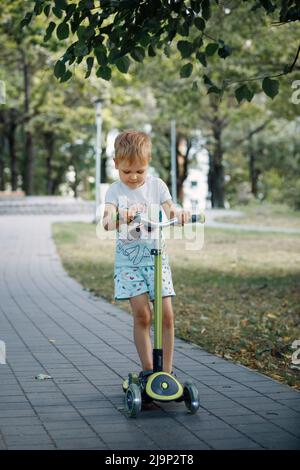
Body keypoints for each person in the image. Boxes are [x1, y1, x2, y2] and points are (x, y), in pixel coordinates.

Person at [102, 130, 190, 388]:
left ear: (148, 163)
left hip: (156, 261)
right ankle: (149, 372)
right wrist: (122, 216)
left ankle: (167, 373)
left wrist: (181, 215)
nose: (133, 177)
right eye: (127, 171)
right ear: (116, 163)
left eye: (139, 171)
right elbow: (106, 222)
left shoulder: (157, 186)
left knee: (166, 316)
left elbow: (171, 210)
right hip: (129, 264)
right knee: (142, 316)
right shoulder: (114, 192)